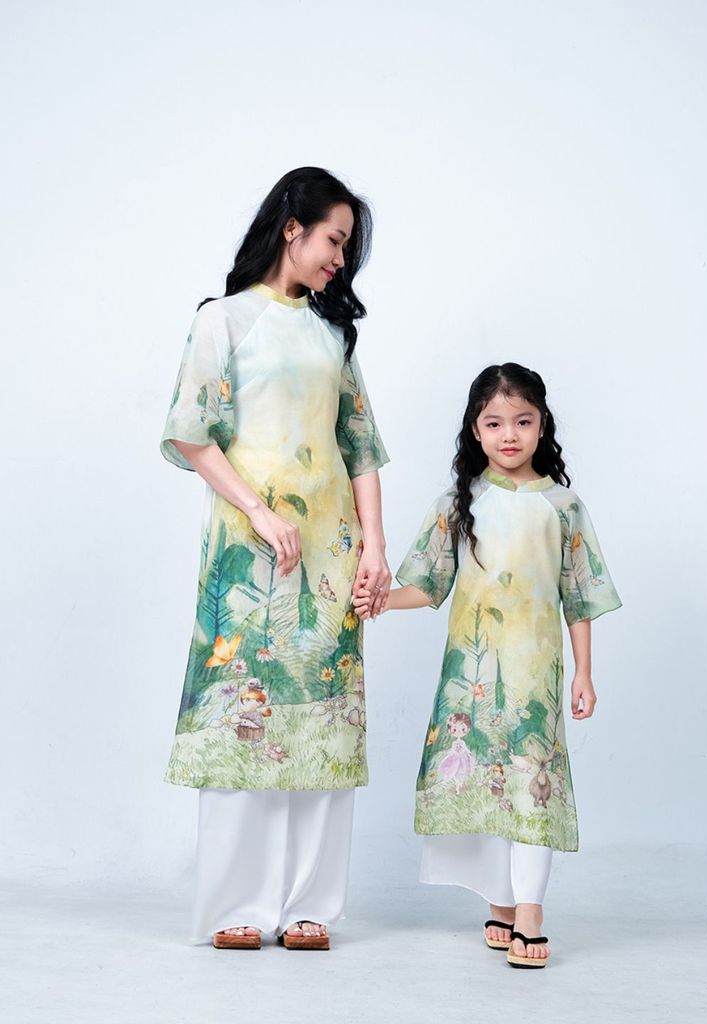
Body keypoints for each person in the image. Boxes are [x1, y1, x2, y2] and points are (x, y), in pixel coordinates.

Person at [161, 167, 391, 950]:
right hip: (248, 552)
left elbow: (361, 449)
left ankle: (308, 906)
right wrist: (258, 511)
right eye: (334, 240)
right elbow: (192, 433)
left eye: (346, 248)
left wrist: (374, 550)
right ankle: (236, 904)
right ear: (292, 228)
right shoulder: (223, 321)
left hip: (330, 553)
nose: (340, 260)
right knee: (244, 715)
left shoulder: (332, 335)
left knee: (322, 716)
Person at [354, 363, 620, 968]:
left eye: (522, 421)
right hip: (470, 679)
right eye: (494, 423)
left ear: (542, 425)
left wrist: (583, 672)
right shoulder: (459, 503)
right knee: (485, 786)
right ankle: (500, 902)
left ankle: (530, 913)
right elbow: (427, 586)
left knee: (532, 785)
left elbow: (579, 598)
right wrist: (380, 601)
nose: (509, 435)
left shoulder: (563, 506)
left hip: (535, 677)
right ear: (475, 430)